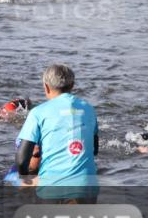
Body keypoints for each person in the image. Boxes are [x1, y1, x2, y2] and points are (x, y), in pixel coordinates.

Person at [15, 64, 99, 200]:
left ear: (46, 87)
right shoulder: (89, 109)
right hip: (87, 188)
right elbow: (94, 150)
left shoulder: (37, 113)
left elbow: (21, 160)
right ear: (72, 85)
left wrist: (26, 179)